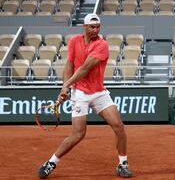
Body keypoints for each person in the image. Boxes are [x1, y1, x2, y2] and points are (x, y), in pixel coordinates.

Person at [38, 14, 133, 179]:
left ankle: (122, 164)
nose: (96, 30)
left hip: (99, 93)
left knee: (119, 126)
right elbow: (69, 64)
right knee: (78, 134)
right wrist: (64, 88)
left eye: (98, 27)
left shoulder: (102, 45)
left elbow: (83, 69)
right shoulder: (75, 41)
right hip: (80, 93)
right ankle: (51, 163)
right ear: (85, 27)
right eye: (92, 27)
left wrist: (66, 85)